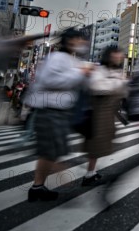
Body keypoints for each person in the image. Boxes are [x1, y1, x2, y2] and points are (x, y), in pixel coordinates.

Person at [26, 28, 92, 201]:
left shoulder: (72, 60)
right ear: (70, 41)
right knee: (50, 150)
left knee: (51, 151)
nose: (83, 44)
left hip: (61, 111)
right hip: (49, 110)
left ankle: (37, 187)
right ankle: (49, 183)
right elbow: (50, 80)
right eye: (79, 40)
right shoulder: (56, 57)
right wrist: (80, 73)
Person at [82, 46, 128, 186]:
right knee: (96, 144)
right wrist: (116, 83)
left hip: (107, 113)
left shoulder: (113, 71)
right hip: (98, 113)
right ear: (109, 56)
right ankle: (89, 175)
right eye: (116, 55)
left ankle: (91, 173)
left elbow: (122, 91)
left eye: (120, 55)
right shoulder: (99, 70)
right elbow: (97, 87)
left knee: (99, 145)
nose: (119, 57)